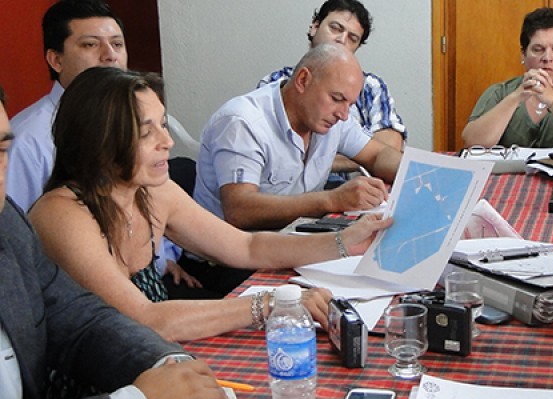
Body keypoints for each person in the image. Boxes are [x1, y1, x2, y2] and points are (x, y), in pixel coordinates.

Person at [0, 84, 240, 399]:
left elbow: (81, 319)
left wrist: (170, 372)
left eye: (1, 150)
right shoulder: (59, 211)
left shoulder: (7, 226)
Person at [28, 67, 391, 343]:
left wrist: (345, 241)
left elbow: (246, 246)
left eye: (163, 125)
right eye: (147, 132)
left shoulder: (151, 191)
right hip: (97, 381)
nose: (167, 141)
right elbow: (145, 319)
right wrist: (271, 304)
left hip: (147, 353)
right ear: (100, 140)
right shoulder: (62, 213)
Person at [7, 0, 197, 293]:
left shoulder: (138, 111)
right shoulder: (26, 140)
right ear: (56, 60)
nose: (110, 56)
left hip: (152, 276)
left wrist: (163, 257)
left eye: (117, 44)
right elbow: (19, 244)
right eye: (90, 45)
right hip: (84, 296)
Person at [194, 43, 402, 232]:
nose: (344, 114)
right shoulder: (242, 122)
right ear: (303, 80)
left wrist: (416, 172)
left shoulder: (333, 119)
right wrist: (331, 200)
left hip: (293, 239)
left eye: (350, 104)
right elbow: (239, 211)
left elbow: (378, 155)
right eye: (337, 99)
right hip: (230, 253)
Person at [258, 0, 405, 186]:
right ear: (315, 27)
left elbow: (387, 148)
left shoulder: (369, 87)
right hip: (290, 195)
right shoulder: (277, 84)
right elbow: (277, 157)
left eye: (352, 38)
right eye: (335, 28)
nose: (341, 40)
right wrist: (353, 160)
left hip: (357, 189)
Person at [461, 7, 553, 152]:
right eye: (538, 49)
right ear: (523, 54)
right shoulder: (500, 92)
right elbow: (472, 142)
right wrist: (516, 97)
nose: (547, 58)